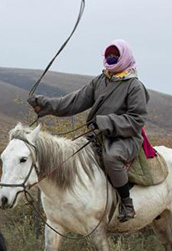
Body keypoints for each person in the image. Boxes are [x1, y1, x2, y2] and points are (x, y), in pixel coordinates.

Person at [27, 39, 149, 222]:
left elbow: (136, 119)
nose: (112, 58)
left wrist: (105, 122)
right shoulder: (101, 80)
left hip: (125, 137)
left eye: (116, 55)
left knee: (111, 158)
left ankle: (126, 202)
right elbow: (73, 101)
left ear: (125, 57)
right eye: (109, 55)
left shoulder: (134, 86)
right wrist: (45, 104)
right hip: (98, 134)